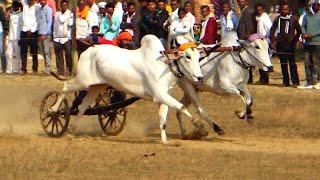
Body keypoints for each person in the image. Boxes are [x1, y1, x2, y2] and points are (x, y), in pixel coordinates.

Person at [270, 2, 301, 87]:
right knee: (283, 64)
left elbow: (299, 31)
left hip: (291, 44)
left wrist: (296, 40)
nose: (284, 11)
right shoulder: (278, 19)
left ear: (289, 9)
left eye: (286, 9)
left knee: (292, 64)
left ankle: (295, 81)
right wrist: (273, 41)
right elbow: (272, 30)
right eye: (283, 9)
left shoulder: (294, 19)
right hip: (281, 44)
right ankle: (285, 81)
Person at [299, 1, 320, 89]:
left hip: (318, 42)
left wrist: (312, 35)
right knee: (307, 63)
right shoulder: (306, 15)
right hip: (307, 42)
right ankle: (309, 82)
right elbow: (302, 26)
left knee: (317, 63)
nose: (317, 6)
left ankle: (318, 82)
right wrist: (304, 34)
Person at [236, 0, 257, 84]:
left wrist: (247, 37)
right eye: (240, 2)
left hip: (245, 38)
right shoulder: (242, 11)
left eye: (242, 1)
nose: (241, 3)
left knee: (247, 58)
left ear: (246, 2)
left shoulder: (248, 11)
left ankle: (249, 78)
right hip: (241, 37)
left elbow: (249, 26)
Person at [53, 0, 74, 76]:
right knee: (59, 55)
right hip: (57, 37)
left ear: (67, 6)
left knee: (68, 55)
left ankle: (69, 70)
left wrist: (68, 16)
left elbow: (70, 24)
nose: (64, 6)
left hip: (67, 38)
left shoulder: (70, 14)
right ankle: (60, 71)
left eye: (65, 5)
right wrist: (54, 36)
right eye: (63, 5)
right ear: (60, 6)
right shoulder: (57, 14)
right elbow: (55, 25)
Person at [20, 0, 41, 75]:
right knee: (23, 52)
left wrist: (32, 30)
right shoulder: (24, 4)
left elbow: (38, 20)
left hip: (33, 32)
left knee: (34, 52)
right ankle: (23, 69)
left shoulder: (38, 7)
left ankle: (35, 70)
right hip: (24, 31)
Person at [255, 3, 272, 85]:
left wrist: (265, 37)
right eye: (258, 10)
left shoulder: (265, 18)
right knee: (260, 59)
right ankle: (262, 78)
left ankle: (265, 79)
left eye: (260, 9)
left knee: (264, 59)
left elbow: (269, 28)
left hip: (264, 41)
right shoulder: (258, 18)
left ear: (263, 9)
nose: (259, 11)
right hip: (259, 40)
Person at [6, 1, 22, 75]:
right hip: (11, 37)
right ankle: (9, 69)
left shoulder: (21, 14)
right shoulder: (11, 14)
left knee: (17, 55)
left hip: (17, 37)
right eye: (13, 6)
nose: (13, 8)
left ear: (17, 7)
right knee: (8, 54)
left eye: (14, 6)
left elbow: (22, 26)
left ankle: (17, 69)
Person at [37, 0, 52, 75]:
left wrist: (45, 33)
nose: (42, 2)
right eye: (41, 0)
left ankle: (48, 69)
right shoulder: (39, 10)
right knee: (43, 52)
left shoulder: (48, 9)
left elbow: (49, 22)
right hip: (40, 34)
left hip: (46, 35)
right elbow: (38, 22)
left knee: (46, 52)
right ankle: (46, 68)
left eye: (43, 0)